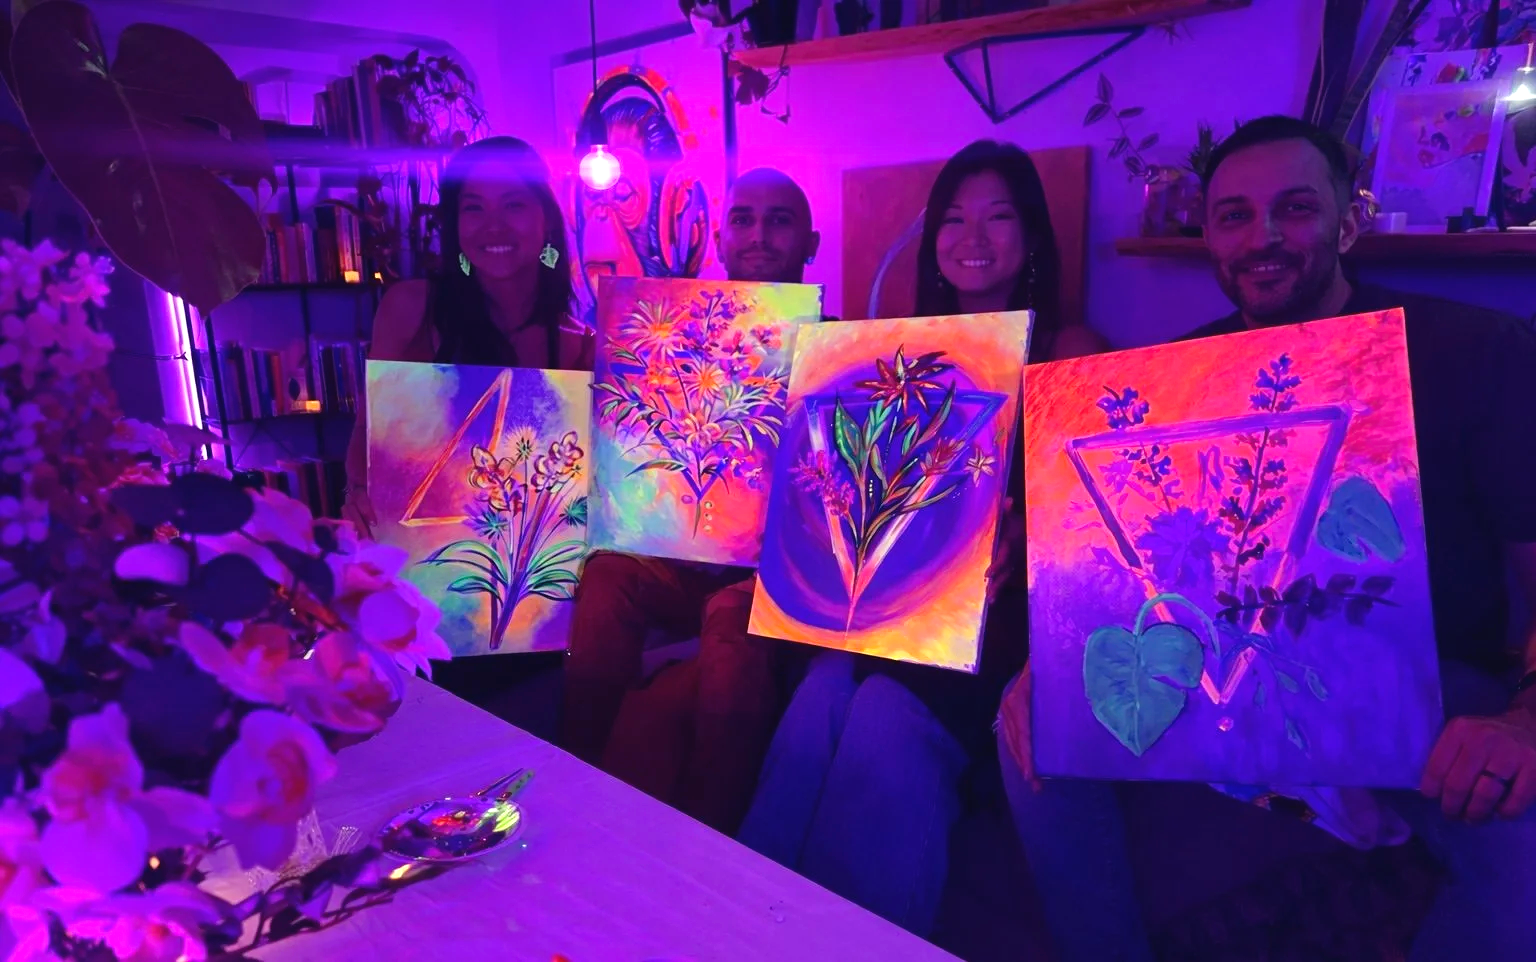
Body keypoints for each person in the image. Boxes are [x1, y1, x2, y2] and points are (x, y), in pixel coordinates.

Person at [998, 115, 1536, 962]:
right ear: (1208, 234)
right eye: (1234, 216)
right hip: (1232, 668)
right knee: (1031, 729)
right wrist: (1053, 668)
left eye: (1294, 209)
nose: (1263, 238)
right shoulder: (1174, 377)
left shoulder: (1473, 350)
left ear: (1347, 222)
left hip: (1430, 681)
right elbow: (1123, 566)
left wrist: (1525, 719)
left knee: (1521, 856)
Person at [736, 140, 1107, 937]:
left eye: (998, 217)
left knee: (883, 714)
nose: (974, 235)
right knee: (821, 696)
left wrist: (1025, 523)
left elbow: (1102, 532)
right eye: (954, 219)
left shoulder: (1071, 353)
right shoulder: (898, 355)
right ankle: (744, 926)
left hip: (1000, 627)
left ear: (1033, 235)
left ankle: (852, 940)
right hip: (892, 615)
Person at [558, 167, 823, 835]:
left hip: (767, 573)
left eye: (780, 220)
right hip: (674, 551)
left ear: (810, 241)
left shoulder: (838, 342)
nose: (759, 234)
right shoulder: (674, 329)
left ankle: (711, 845)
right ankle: (576, 794)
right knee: (608, 578)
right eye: (743, 219)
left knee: (732, 639)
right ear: (720, 237)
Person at [342, 136, 592, 713]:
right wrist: (358, 491)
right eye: (472, 207)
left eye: (513, 203)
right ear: (452, 223)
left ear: (544, 218)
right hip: (425, 588)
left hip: (531, 602)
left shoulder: (579, 342)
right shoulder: (413, 307)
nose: (491, 224)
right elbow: (370, 430)